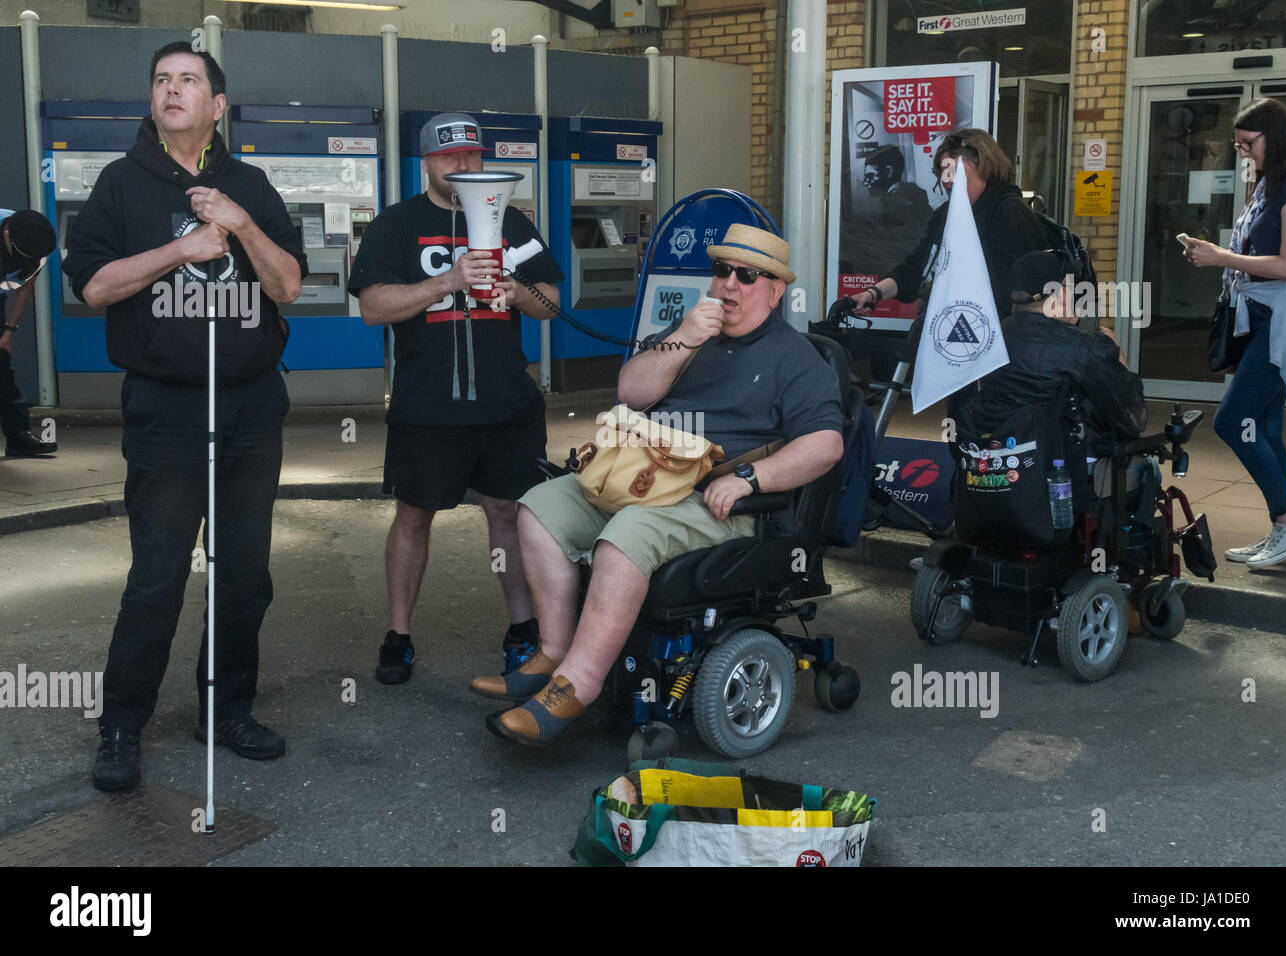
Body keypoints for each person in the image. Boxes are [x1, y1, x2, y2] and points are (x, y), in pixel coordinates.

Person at [476, 224, 844, 746]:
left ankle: (577, 687)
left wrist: (749, 478)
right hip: (643, 475)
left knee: (627, 535)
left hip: (713, 496)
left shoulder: (794, 357)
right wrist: (686, 338)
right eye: (722, 271)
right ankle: (553, 653)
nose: (730, 285)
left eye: (748, 275)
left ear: (775, 290)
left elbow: (825, 445)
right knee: (539, 507)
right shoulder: (690, 330)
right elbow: (632, 391)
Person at [62, 41, 306, 792]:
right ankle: (120, 728)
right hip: (166, 408)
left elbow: (289, 285)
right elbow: (93, 288)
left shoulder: (251, 184)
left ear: (217, 105)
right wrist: (184, 248)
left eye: (188, 81)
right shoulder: (119, 184)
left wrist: (239, 224)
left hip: (251, 407)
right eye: (162, 80)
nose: (172, 90)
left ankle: (225, 709)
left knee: (243, 574)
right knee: (158, 577)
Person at [348, 112, 563, 687]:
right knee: (415, 516)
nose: (463, 166)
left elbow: (553, 303)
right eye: (450, 158)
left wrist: (516, 291)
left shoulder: (512, 220)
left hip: (507, 402)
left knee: (509, 513)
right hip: (428, 404)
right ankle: (399, 635)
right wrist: (448, 282)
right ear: (427, 163)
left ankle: (523, 632)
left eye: (471, 155)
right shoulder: (396, 225)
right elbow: (373, 307)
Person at [1185, 97, 1286, 569]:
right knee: (1265, 426)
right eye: (1238, 146)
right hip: (1265, 318)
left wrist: (1221, 258)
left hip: (1283, 323)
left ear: (1275, 136)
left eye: (1248, 144)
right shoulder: (1271, 186)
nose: (1244, 154)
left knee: (1233, 420)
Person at [848, 128, 1049, 321]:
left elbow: (1025, 292)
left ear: (984, 167)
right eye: (942, 171)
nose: (946, 180)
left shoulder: (1009, 213)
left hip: (989, 342)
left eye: (954, 170)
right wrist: (873, 294)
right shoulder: (945, 214)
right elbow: (915, 268)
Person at [976, 250, 1145, 442]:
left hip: (989, 459)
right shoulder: (1084, 348)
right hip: (1060, 464)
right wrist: (1118, 358)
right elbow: (1131, 421)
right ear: (1059, 295)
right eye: (1068, 286)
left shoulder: (987, 338)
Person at [1, 210, 58, 457]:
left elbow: (25, 288)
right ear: (6, 235)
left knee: (2, 366)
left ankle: (18, 437)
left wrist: (9, 331)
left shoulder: (36, 243)